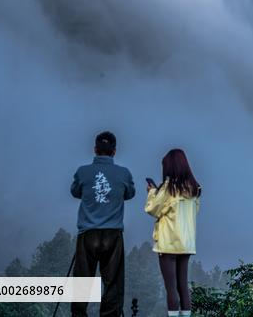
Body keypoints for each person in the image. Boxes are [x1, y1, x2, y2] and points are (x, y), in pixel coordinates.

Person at [70, 131, 136, 317]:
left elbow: (75, 192)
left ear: (95, 150)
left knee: (82, 281)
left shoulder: (83, 172)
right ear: (114, 151)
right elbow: (130, 194)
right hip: (113, 234)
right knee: (112, 284)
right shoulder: (123, 173)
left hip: (88, 233)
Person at [145, 149, 201, 317]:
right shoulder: (194, 189)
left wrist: (151, 192)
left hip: (169, 244)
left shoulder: (169, 188)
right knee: (182, 286)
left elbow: (153, 209)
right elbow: (194, 212)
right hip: (187, 243)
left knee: (171, 287)